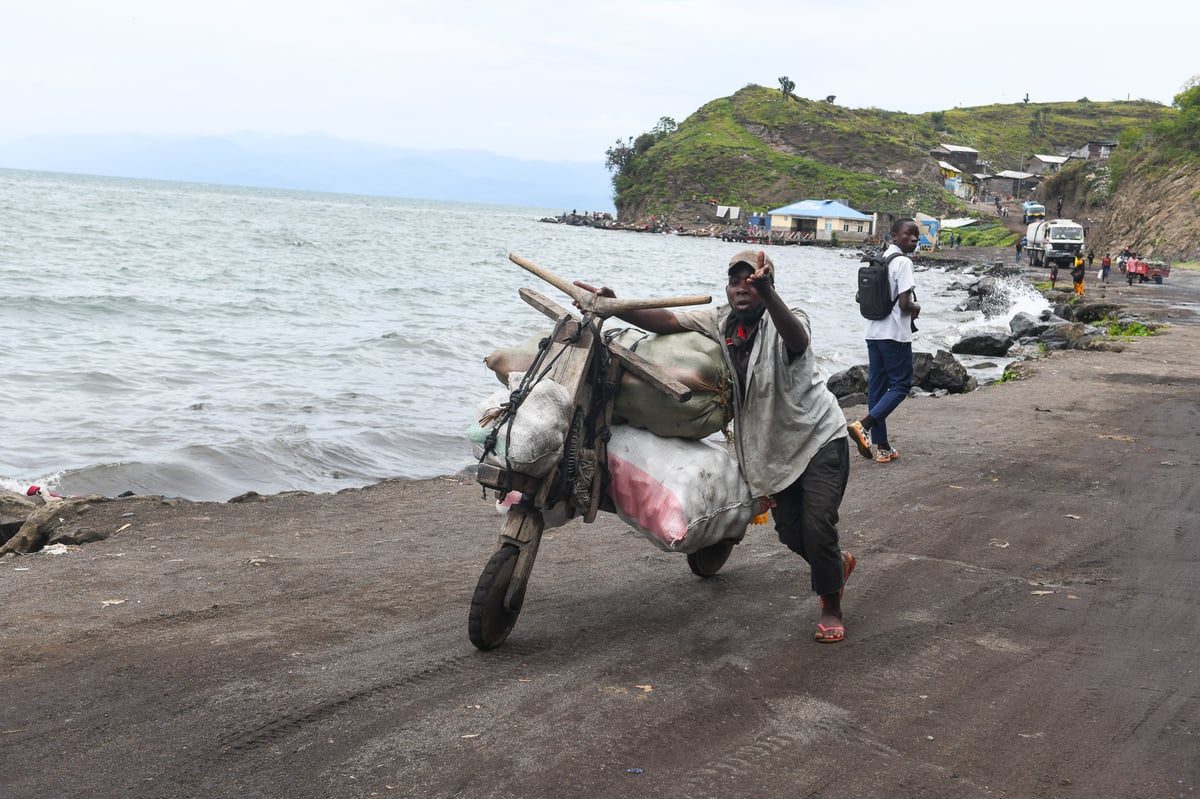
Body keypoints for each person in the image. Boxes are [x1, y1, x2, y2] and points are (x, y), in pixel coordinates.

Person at [574, 250, 856, 643]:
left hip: (819, 439)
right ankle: (835, 564)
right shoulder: (721, 320)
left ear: (768, 286)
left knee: (817, 524)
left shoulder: (787, 320)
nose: (743, 289)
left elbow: (798, 339)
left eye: (752, 282)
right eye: (736, 281)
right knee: (791, 533)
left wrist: (770, 295)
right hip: (774, 450)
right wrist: (615, 304)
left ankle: (831, 606)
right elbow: (667, 320)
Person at [847, 218, 921, 466]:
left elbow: (860, 297)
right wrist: (917, 307)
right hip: (894, 334)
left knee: (877, 390)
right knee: (900, 386)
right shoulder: (903, 262)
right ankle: (864, 425)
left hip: (872, 331)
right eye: (908, 234)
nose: (913, 239)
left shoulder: (876, 260)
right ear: (894, 235)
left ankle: (883, 448)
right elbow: (904, 304)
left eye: (916, 236)